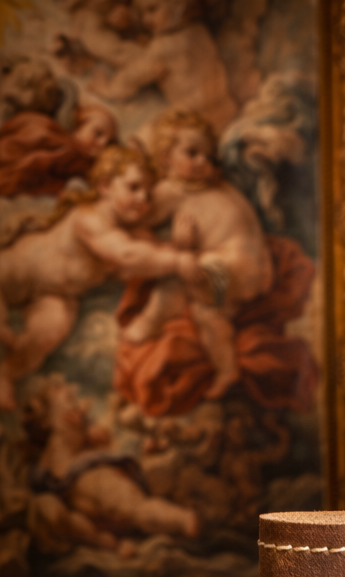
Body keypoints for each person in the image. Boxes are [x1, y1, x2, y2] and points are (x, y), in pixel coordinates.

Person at [0, 142, 202, 410]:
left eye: (148, 194)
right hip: (20, 269)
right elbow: (127, 255)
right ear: (105, 186)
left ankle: (6, 374)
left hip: (56, 295)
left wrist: (180, 248)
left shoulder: (133, 233)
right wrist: (177, 261)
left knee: (48, 333)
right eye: (133, 187)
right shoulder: (90, 218)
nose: (143, 199)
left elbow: (149, 257)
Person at [121, 109, 273, 400]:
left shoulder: (175, 189)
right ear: (166, 158)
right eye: (192, 153)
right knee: (209, 312)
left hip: (228, 264)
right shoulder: (208, 187)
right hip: (253, 269)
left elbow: (138, 221)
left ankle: (149, 322)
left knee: (181, 277)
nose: (203, 162)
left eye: (208, 156)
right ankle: (227, 368)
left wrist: (182, 248)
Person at [22, 372, 199, 549]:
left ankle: (121, 538)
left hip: (93, 482)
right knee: (134, 508)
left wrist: (98, 437)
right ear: (46, 419)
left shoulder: (81, 433)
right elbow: (46, 475)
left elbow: (104, 441)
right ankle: (181, 520)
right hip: (86, 484)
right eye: (68, 400)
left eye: (74, 401)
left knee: (135, 504)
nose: (77, 408)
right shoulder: (56, 448)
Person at [87, 0, 237, 135]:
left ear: (178, 6)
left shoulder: (164, 47)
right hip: (227, 110)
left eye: (152, 9)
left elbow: (133, 76)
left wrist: (110, 89)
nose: (145, 20)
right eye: (142, 13)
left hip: (194, 119)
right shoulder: (199, 31)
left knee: (146, 133)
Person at [0, 101, 118, 199]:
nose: (102, 144)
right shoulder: (55, 137)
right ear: (80, 125)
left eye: (108, 142)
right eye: (98, 133)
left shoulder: (87, 164)